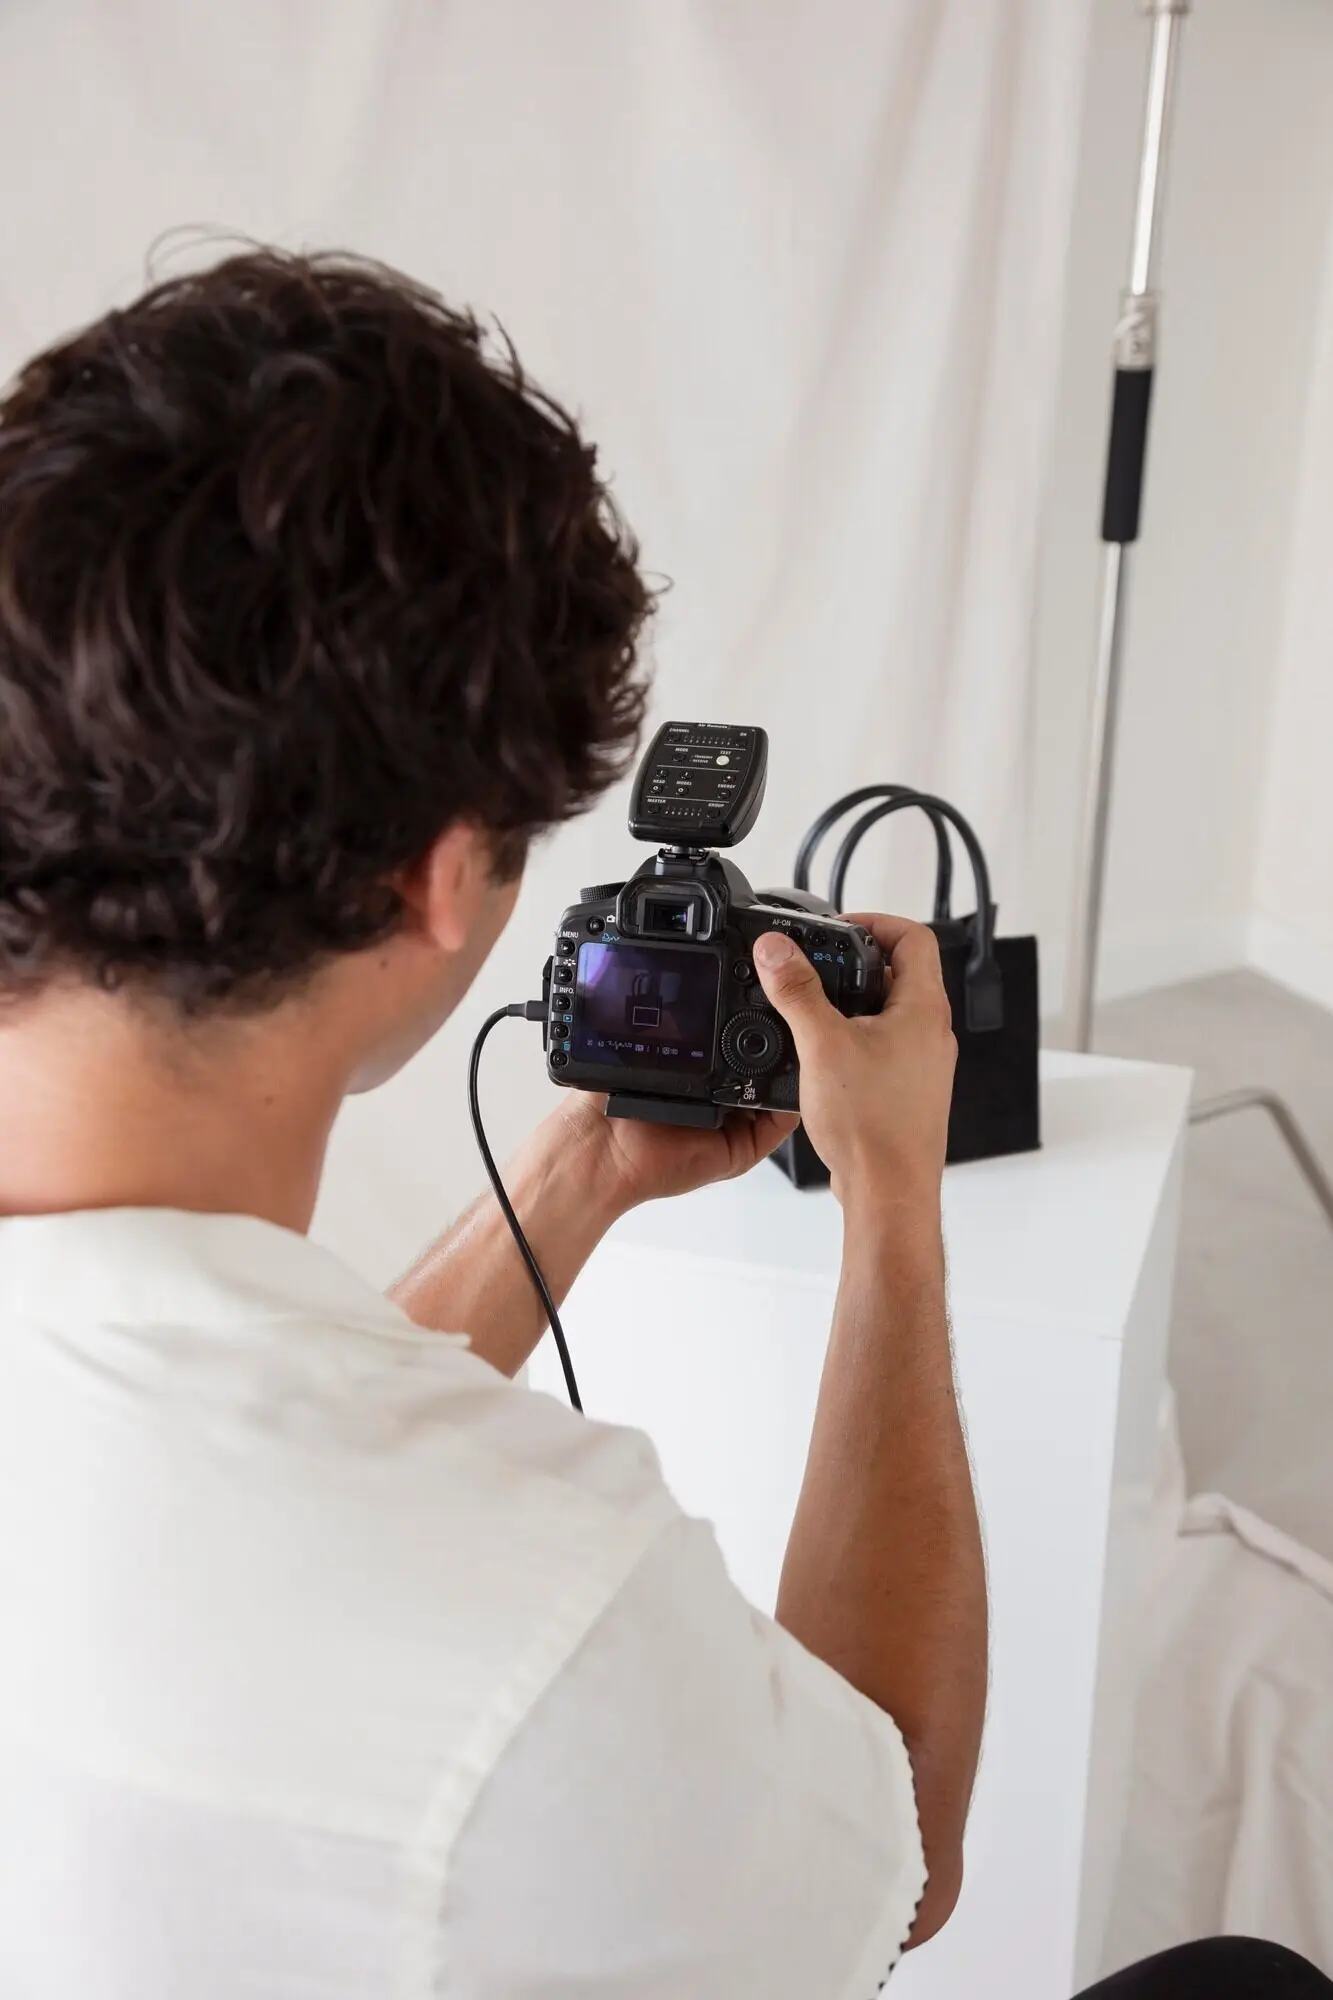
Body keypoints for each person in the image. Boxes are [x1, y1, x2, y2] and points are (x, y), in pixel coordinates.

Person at [0, 249, 1326, 2000]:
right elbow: (899, 1843)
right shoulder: (552, 1620)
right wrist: (892, 1205)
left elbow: (278, 1406)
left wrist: (584, 1169)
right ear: (437, 881)